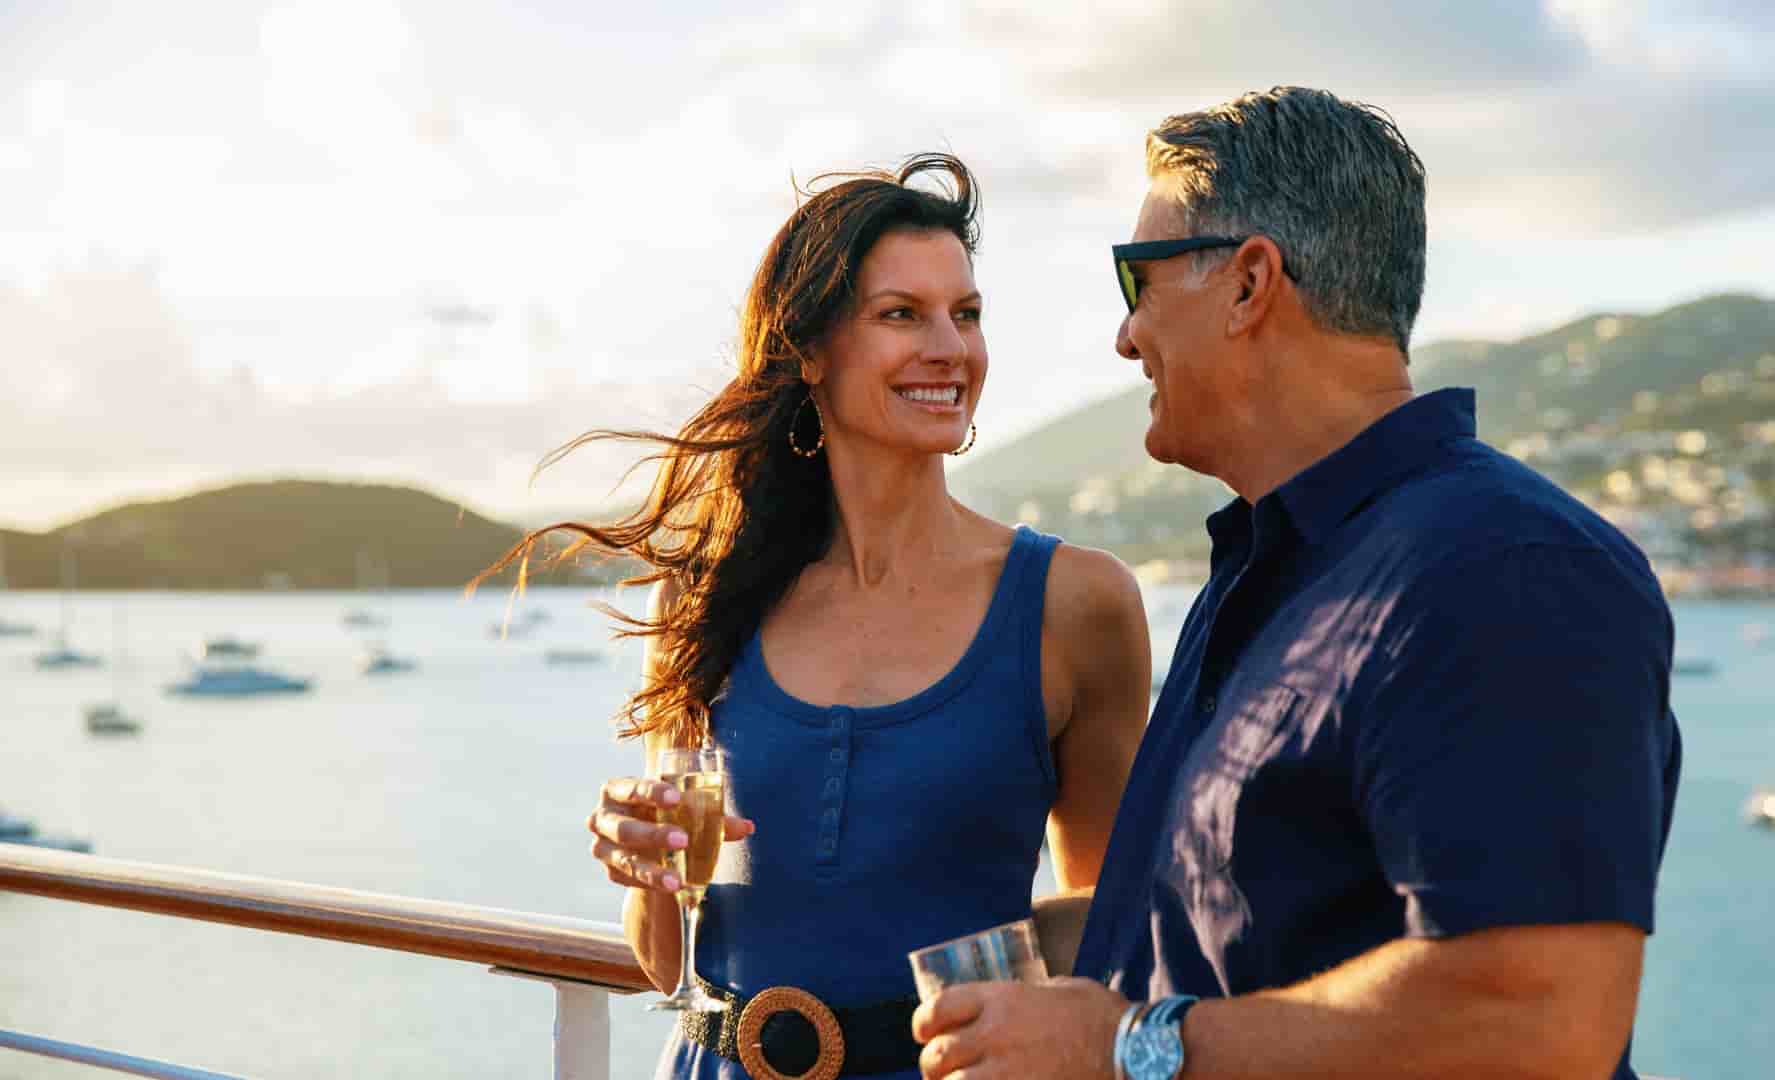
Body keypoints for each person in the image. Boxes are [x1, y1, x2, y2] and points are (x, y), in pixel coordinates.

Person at [912, 88, 1683, 1080]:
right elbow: (1224, 924)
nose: (1125, 337)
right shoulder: (1274, 572)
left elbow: (1537, 1021)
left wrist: (1120, 1049)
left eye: (1135, 281)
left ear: (1248, 284)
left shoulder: (1503, 571)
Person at [531, 154, 1153, 1079]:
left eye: (967, 314)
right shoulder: (707, 599)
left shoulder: (1077, 602)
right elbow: (668, 957)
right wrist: (643, 871)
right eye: (901, 314)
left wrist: (960, 964)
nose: (951, 347)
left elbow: (1112, 910)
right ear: (810, 350)